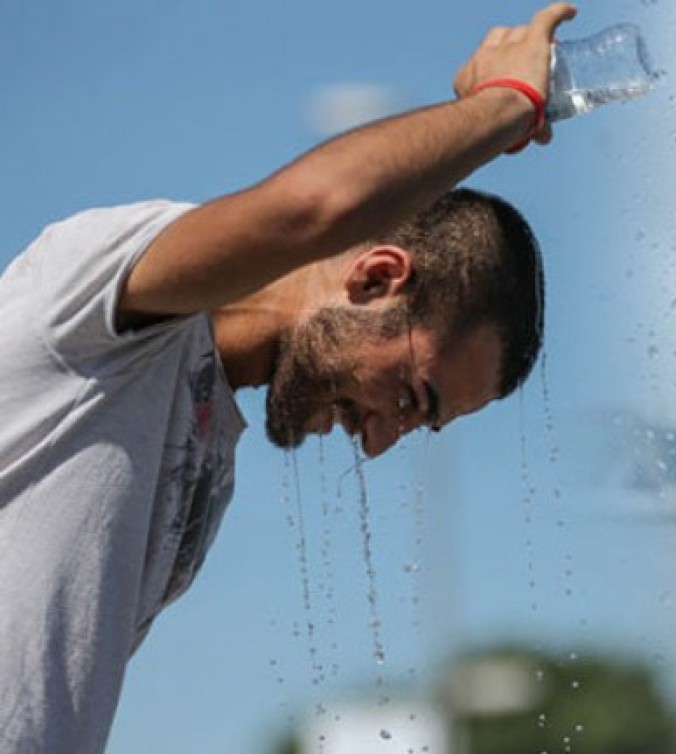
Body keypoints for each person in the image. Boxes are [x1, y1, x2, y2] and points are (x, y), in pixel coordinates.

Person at [0, 4, 576, 751]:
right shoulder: (99, 302)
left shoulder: (208, 460)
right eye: (409, 396)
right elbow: (316, 208)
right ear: (374, 279)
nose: (377, 443)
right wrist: (506, 106)